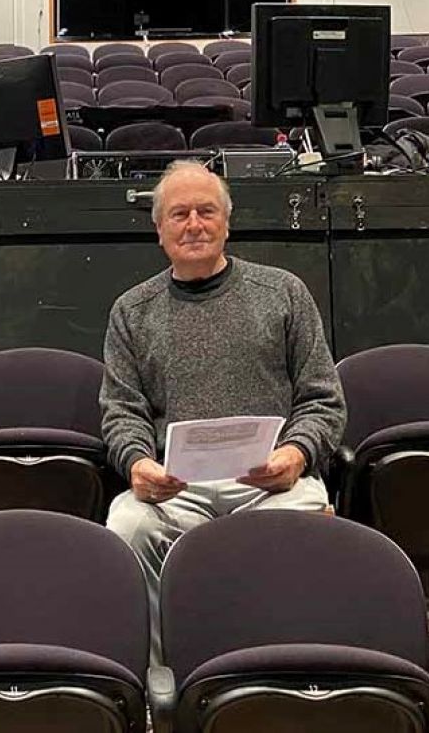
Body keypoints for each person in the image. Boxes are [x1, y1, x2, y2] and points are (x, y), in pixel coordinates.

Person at [100, 160, 346, 661]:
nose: (194, 224)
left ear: (227, 223)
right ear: (160, 230)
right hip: (176, 489)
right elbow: (121, 412)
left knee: (309, 517)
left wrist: (296, 456)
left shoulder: (283, 294)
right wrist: (137, 464)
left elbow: (323, 399)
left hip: (270, 484)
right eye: (180, 214)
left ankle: (291, 676)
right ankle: (160, 682)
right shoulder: (131, 311)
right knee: (127, 525)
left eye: (206, 211)